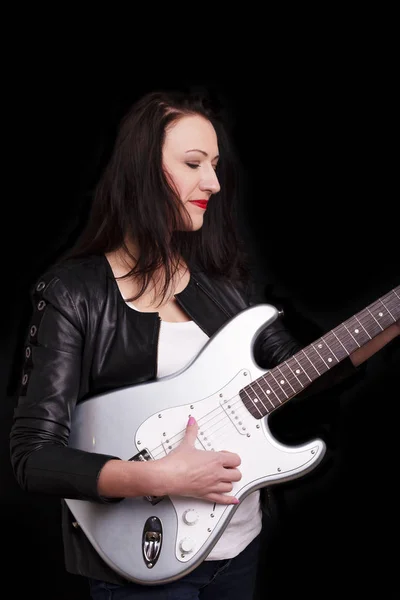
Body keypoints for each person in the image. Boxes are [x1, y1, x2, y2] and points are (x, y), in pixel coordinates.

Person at [9, 88, 399, 600]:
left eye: (215, 165)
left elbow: (296, 375)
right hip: (140, 563)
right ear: (142, 170)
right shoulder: (73, 293)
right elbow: (33, 458)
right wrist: (158, 476)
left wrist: (391, 317)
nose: (213, 183)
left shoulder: (221, 283)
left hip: (238, 547)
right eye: (194, 163)